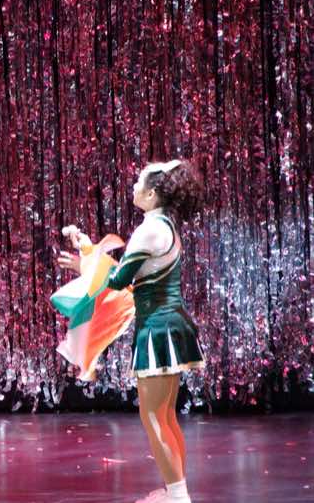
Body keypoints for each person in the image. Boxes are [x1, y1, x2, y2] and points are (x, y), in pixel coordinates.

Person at [58, 160, 205, 503]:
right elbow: (125, 277)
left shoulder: (150, 230)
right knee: (164, 416)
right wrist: (90, 252)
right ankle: (175, 491)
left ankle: (178, 497)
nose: (134, 186)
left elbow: (117, 280)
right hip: (167, 324)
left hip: (158, 329)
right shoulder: (164, 226)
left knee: (153, 416)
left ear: (152, 194)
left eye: (139, 182)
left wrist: (85, 263)